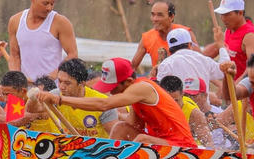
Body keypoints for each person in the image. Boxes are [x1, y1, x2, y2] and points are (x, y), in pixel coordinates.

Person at [41, 57, 195, 147]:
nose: (111, 92)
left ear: (128, 81)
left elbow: (104, 104)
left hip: (182, 146)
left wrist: (60, 100)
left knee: (143, 140)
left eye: (113, 88)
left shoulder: (142, 87)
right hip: (162, 143)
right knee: (121, 127)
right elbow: (132, 127)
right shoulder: (135, 97)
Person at [7, 0, 78, 83]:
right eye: (45, 3)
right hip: (26, 87)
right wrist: (17, 79)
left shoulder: (61, 22)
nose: (49, 8)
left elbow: (73, 54)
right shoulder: (15, 21)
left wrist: (50, 77)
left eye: (52, 4)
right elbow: (14, 55)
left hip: (52, 87)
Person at [52, 58, 118, 137]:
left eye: (67, 83)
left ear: (82, 84)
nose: (61, 87)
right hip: (68, 144)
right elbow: (39, 108)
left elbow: (116, 137)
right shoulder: (55, 95)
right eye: (59, 81)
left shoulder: (103, 102)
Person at [206, 0, 254, 78]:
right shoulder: (228, 30)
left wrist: (237, 85)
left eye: (227, 14)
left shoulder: (250, 36)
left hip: (242, 85)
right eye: (221, 14)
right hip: (229, 83)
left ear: (240, 13)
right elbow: (207, 54)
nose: (223, 18)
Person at [157, 27, 225, 93]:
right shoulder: (204, 60)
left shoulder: (165, 64)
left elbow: (160, 91)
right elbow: (224, 70)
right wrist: (221, 46)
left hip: (177, 101)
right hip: (202, 101)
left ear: (169, 49)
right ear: (189, 45)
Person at [131, 2, 196, 69]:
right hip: (158, 75)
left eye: (160, 15)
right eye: (153, 14)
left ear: (171, 17)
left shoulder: (185, 34)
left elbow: (200, 62)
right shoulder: (147, 37)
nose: (155, 19)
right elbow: (132, 68)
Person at [159, 74, 212, 146]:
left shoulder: (194, 113)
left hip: (189, 148)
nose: (173, 105)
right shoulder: (155, 107)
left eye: (176, 101)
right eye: (169, 101)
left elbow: (208, 143)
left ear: (182, 94)